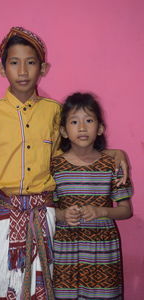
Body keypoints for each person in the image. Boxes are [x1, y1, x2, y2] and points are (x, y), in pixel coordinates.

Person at [0, 27, 129, 300]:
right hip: (2, 217)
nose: (22, 71)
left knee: (43, 289)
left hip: (46, 217)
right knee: (0, 286)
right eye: (14, 62)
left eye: (30, 63)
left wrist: (114, 152)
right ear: (1, 68)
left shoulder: (54, 112)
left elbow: (73, 148)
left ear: (43, 68)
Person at [51, 92, 133, 300]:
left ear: (100, 128)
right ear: (64, 131)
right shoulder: (54, 166)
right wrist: (61, 215)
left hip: (102, 252)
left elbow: (126, 210)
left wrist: (101, 211)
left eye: (89, 120)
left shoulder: (112, 165)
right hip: (64, 250)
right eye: (74, 121)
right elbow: (45, 210)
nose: (82, 127)